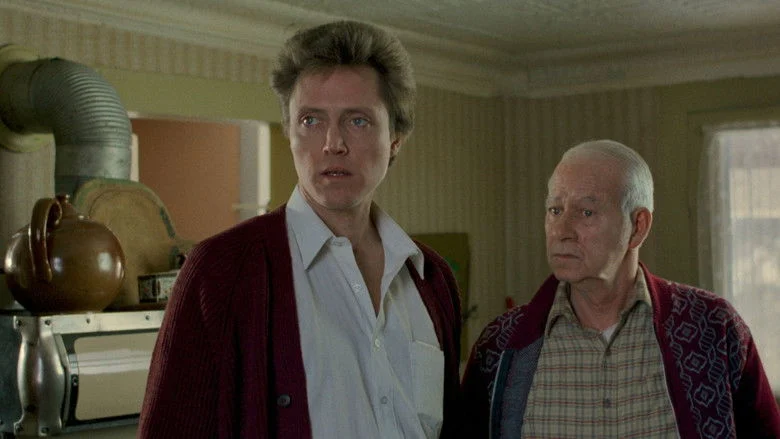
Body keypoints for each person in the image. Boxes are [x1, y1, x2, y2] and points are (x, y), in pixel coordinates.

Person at [138, 20, 462, 438]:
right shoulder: (220, 273)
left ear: (396, 138)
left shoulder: (431, 278)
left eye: (357, 121)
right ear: (290, 132)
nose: (332, 144)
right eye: (311, 120)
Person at [461, 139, 780, 438]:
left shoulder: (713, 328)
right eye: (555, 210)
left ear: (638, 226)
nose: (561, 230)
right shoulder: (500, 346)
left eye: (586, 212)